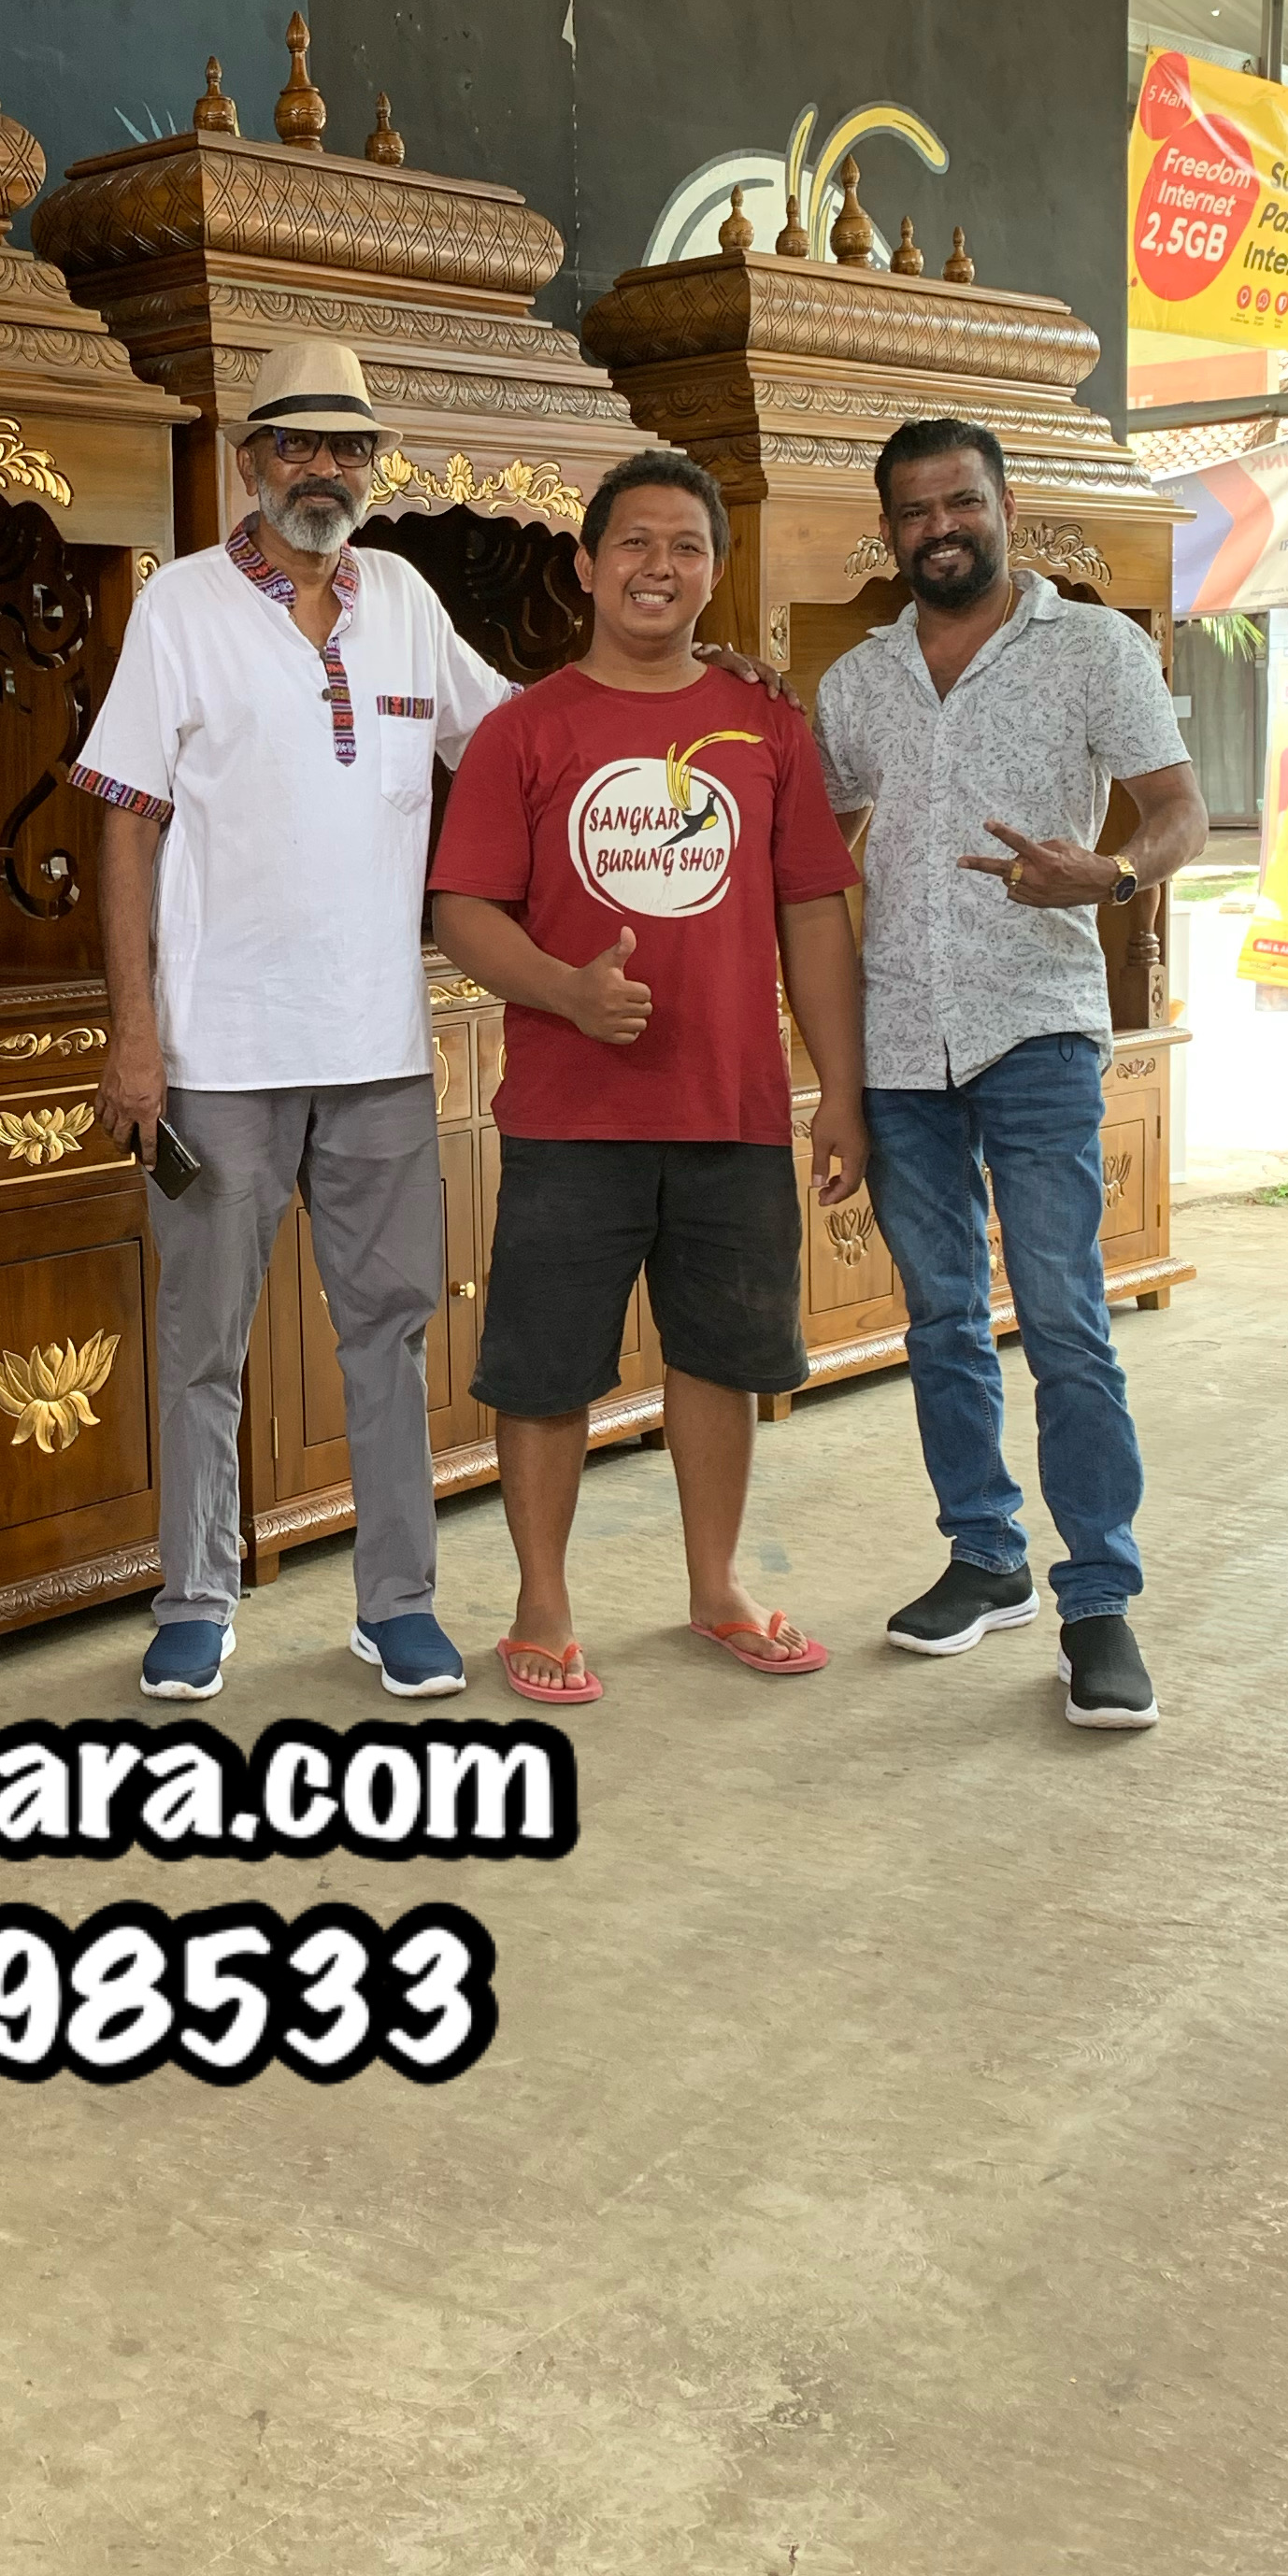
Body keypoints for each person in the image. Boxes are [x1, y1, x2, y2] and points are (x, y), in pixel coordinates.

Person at [71, 339, 514, 1701]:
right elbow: (127, 827)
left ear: (374, 470)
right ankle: (197, 1596)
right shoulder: (184, 608)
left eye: (350, 449)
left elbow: (508, 746)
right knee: (205, 1341)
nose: (325, 471)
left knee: (388, 1331)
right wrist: (136, 1034)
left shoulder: (403, 603)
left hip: (380, 1045)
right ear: (252, 460)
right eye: (299, 446)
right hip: (219, 1054)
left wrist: (664, 698)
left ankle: (397, 1604)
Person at [431, 448, 866, 1704]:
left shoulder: (765, 724)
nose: (657, 567)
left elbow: (817, 914)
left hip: (731, 1108)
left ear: (714, 573)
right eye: (632, 544)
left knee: (723, 1356)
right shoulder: (527, 729)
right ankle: (543, 1601)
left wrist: (834, 1088)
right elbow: (463, 908)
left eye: (684, 546)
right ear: (585, 564)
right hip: (572, 1118)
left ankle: (716, 1585)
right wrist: (565, 990)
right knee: (544, 1366)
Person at [814, 415, 1208, 1731]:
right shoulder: (860, 681)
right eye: (916, 511)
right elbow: (813, 847)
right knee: (936, 1322)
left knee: (1065, 1318)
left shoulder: (1093, 647)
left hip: (1037, 1027)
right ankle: (984, 1558)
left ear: (1006, 504)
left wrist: (1110, 874)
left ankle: (1098, 1597)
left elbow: (1176, 811)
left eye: (962, 503)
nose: (942, 528)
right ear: (890, 531)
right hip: (898, 1045)